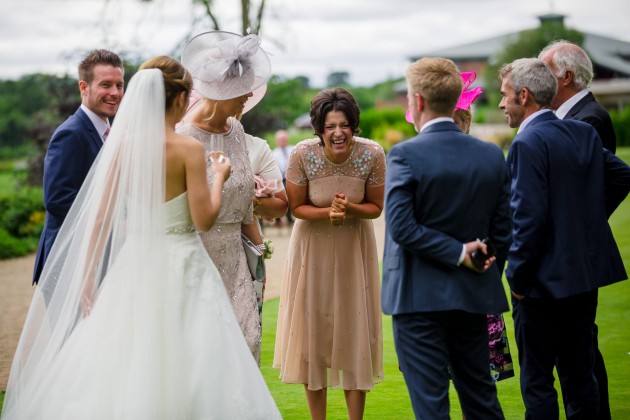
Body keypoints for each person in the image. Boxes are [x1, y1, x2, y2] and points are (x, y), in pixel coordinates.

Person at [0, 56, 281, 419]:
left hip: (135, 263)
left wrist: (86, 276)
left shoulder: (122, 147)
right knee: (193, 358)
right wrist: (222, 176)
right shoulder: (188, 150)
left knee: (130, 357)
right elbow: (204, 219)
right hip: (185, 264)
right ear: (180, 100)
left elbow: (100, 218)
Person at [498, 58, 630, 419]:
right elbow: (622, 176)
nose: (500, 103)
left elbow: (528, 220)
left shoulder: (526, 142)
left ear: (524, 96)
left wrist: (518, 280)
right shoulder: (582, 132)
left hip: (539, 285)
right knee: (581, 379)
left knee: (538, 383)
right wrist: (583, 223)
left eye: (505, 95)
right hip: (584, 279)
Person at [383, 57, 511, 420]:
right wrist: (481, 269)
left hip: (416, 300)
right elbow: (503, 231)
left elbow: (402, 228)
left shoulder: (405, 154)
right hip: (473, 296)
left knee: (432, 406)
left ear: (418, 101)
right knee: (481, 401)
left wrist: (457, 253)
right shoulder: (490, 154)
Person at [274, 87, 385, 420]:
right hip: (312, 251)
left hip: (354, 251)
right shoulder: (302, 154)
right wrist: (328, 214)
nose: (338, 133)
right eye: (330, 126)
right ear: (319, 129)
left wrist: (350, 208)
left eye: (344, 125)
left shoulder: (373, 154)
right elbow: (296, 207)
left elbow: (376, 207)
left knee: (355, 331)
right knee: (313, 335)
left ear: (354, 125)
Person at [177, 30, 272, 364]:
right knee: (206, 355)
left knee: (247, 343)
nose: (247, 97)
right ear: (218, 90)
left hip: (237, 261)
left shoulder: (238, 131)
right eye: (241, 91)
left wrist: (259, 250)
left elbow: (245, 204)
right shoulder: (183, 136)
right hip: (197, 257)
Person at [539, 41, 617, 419]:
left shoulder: (590, 119)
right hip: (568, 255)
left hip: (573, 256)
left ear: (565, 76)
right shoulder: (569, 117)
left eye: (544, 71)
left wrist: (581, 225)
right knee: (578, 351)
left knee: (581, 354)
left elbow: (609, 183)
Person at [32, 49, 124, 285]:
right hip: (69, 260)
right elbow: (58, 199)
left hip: (98, 256)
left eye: (119, 85)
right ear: (84, 87)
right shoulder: (71, 133)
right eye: (106, 85)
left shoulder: (108, 131)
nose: (114, 93)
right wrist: (110, 220)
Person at [539, 40, 617, 154]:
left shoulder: (590, 119)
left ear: (567, 77)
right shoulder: (578, 114)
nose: (540, 81)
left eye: (546, 73)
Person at [271, 129, 295, 225]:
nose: (282, 141)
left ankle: (289, 217)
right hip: (279, 179)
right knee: (282, 190)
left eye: (284, 139)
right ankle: (278, 218)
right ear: (277, 141)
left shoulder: (292, 150)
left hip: (291, 177)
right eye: (281, 139)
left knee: (291, 191)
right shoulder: (273, 153)